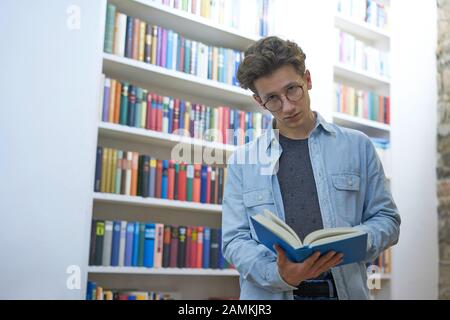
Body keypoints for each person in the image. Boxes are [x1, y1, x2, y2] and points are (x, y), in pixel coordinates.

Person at [221, 36, 401, 300]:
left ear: (308, 79)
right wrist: (278, 274)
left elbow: (388, 220)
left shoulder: (357, 146)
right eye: (272, 98)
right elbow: (234, 241)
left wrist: (354, 241)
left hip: (343, 293)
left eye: (293, 89)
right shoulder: (242, 161)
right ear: (259, 102)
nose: (287, 106)